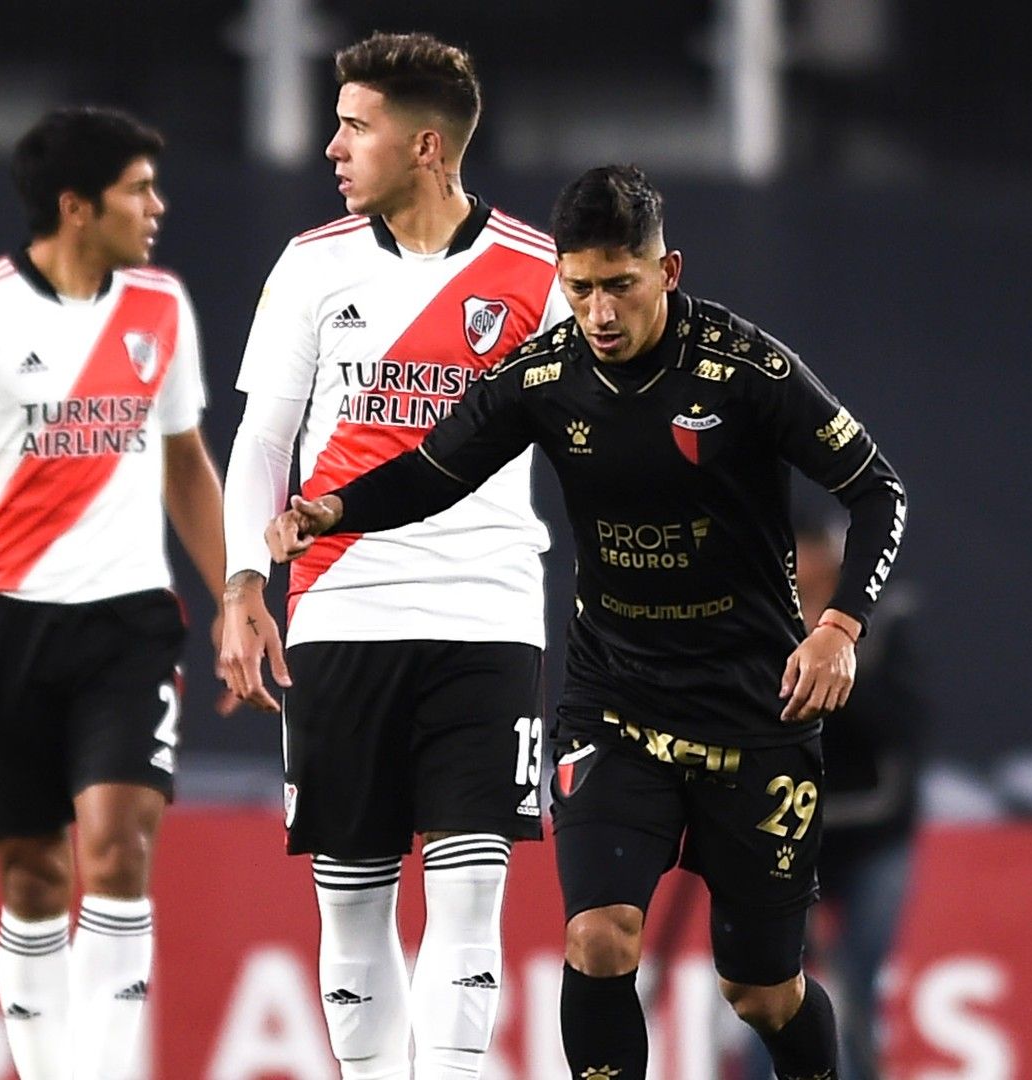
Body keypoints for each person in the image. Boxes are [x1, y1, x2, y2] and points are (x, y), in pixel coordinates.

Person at [267, 164, 908, 1080]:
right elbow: (435, 468)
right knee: (598, 940)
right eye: (579, 289)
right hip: (617, 712)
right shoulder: (546, 374)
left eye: (620, 285)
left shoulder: (746, 370)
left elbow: (878, 488)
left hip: (752, 711)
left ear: (668, 271)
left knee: (760, 990)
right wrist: (334, 509)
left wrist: (839, 626)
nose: (599, 312)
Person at [218, 31, 573, 1080]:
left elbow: (594, 446)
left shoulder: (540, 275)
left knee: (471, 897)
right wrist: (245, 582)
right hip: (341, 613)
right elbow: (263, 445)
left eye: (355, 125)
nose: (332, 145)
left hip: (487, 616)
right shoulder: (311, 267)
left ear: (425, 147)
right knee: (354, 899)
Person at [0, 106, 227, 1080]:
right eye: (137, 191)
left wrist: (238, 594)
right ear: (78, 207)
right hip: (4, 626)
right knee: (32, 872)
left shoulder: (160, 307)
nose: (157, 207)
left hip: (129, 626)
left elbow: (186, 465)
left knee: (119, 849)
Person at [796, 514, 925, 1080]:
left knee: (858, 983)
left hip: (874, 832)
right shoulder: (752, 622)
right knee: (777, 990)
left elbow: (902, 727)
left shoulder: (883, 621)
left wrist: (833, 669)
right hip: (789, 832)